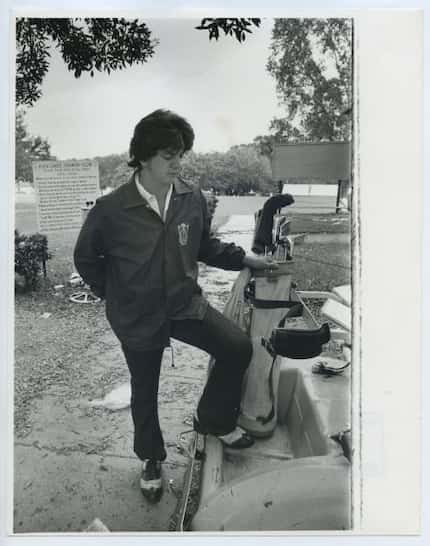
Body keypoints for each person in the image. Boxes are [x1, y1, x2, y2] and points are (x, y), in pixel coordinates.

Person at [74, 109, 277, 503]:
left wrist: (245, 260)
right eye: (169, 155)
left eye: (180, 154)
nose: (177, 163)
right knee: (145, 389)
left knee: (236, 346)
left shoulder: (191, 198)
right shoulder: (111, 209)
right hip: (138, 316)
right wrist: (116, 295)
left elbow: (204, 246)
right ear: (144, 157)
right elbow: (86, 260)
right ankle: (151, 458)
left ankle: (212, 420)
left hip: (184, 304)